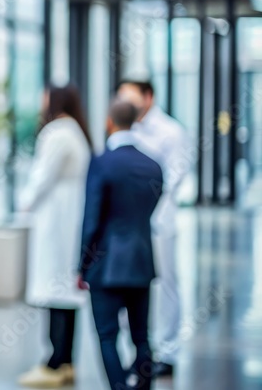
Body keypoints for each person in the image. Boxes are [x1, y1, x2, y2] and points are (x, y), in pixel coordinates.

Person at [79, 99, 163, 390]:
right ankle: (143, 386)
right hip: (141, 260)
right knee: (141, 335)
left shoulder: (102, 163)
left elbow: (92, 221)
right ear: (136, 122)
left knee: (106, 335)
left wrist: (83, 265)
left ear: (109, 122)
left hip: (105, 265)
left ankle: (118, 387)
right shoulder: (153, 165)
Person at [16, 85, 93, 388]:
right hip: (68, 218)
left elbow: (41, 177)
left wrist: (25, 202)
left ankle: (54, 362)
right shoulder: (74, 130)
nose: (41, 103)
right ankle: (66, 361)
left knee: (55, 290)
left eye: (44, 97)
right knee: (64, 291)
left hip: (55, 220)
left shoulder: (58, 132)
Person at [117, 79, 191, 378]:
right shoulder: (127, 130)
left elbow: (173, 178)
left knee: (166, 284)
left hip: (159, 221)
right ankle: (139, 351)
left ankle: (168, 351)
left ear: (148, 97)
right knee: (130, 285)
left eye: (131, 97)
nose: (125, 103)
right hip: (128, 223)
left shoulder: (171, 132)